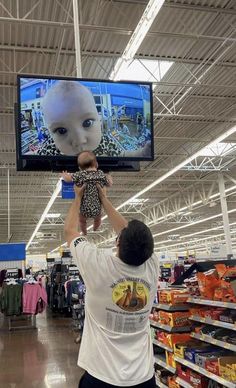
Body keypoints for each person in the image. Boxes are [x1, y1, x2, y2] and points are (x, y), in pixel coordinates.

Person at [64, 184, 158, 388]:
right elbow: (127, 235)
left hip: (101, 376)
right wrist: (104, 200)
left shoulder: (98, 264)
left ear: (117, 243)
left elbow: (70, 230)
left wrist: (79, 197)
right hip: (143, 377)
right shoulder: (152, 266)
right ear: (150, 250)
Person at [38, 80, 151, 158]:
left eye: (87, 123)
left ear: (100, 119)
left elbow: (122, 155)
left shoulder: (104, 142)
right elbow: (33, 157)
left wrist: (142, 153)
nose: (79, 140)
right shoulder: (50, 148)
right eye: (61, 130)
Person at [62, 151, 112, 235]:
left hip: (84, 209)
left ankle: (84, 231)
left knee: (82, 221)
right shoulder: (100, 174)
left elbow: (68, 179)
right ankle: (96, 227)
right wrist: (109, 177)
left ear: (80, 168)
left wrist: (64, 175)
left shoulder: (80, 174)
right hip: (97, 209)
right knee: (98, 219)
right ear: (96, 164)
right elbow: (109, 184)